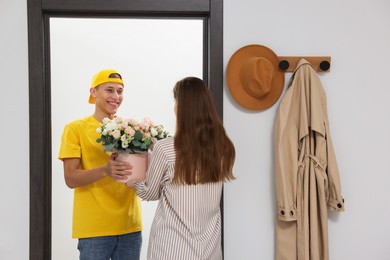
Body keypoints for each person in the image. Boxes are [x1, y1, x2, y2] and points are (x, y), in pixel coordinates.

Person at [126, 76, 236, 260]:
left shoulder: (165, 148)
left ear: (182, 107)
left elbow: (150, 193)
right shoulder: (224, 147)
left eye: (176, 101)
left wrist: (134, 183)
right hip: (210, 249)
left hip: (171, 248)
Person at [58, 69, 142, 260]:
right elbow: (70, 178)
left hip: (130, 226)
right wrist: (105, 170)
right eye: (109, 90)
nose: (116, 97)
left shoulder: (131, 129)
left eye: (120, 91)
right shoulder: (74, 129)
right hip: (94, 230)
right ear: (93, 92)